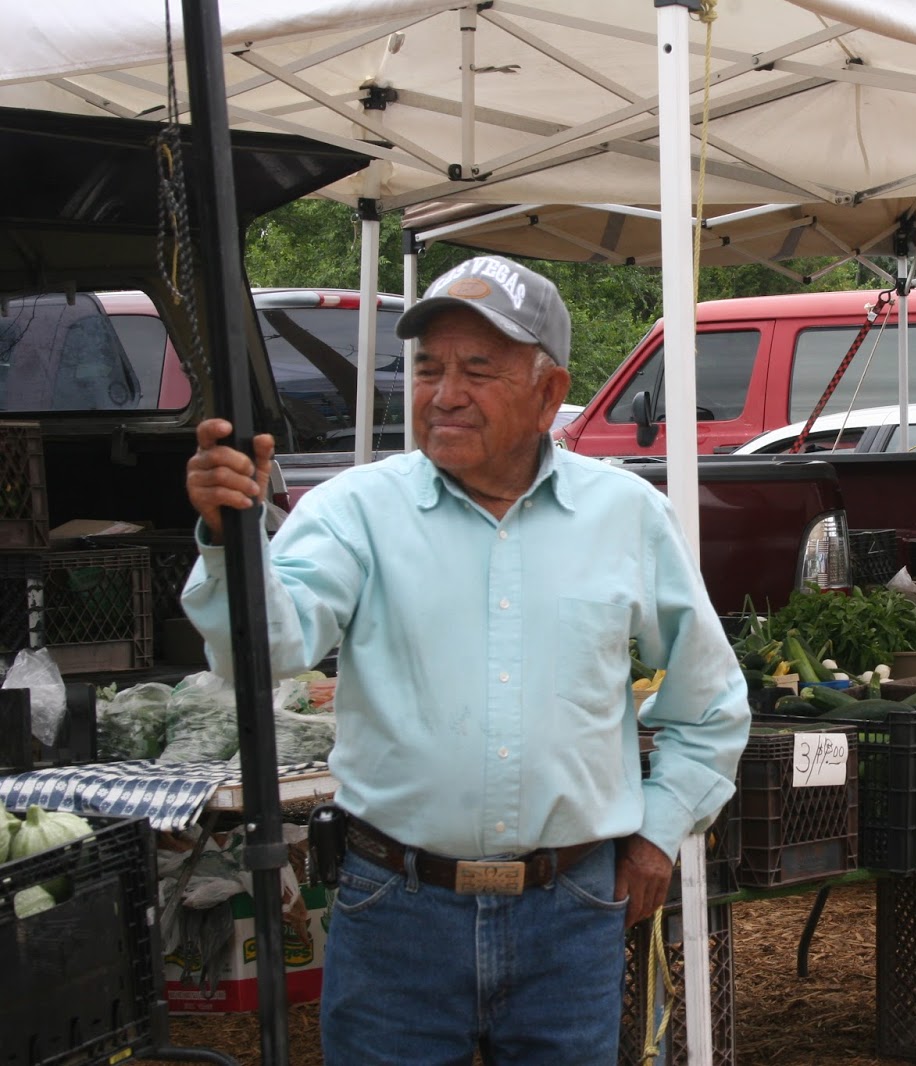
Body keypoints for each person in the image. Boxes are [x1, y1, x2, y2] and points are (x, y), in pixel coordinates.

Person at [182, 254, 751, 1062]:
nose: (444, 393)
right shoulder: (356, 510)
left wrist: (659, 832)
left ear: (550, 393)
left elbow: (710, 703)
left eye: (477, 370)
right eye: (427, 368)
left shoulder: (626, 515)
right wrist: (227, 533)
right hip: (396, 913)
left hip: (571, 916)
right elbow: (269, 647)